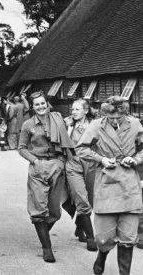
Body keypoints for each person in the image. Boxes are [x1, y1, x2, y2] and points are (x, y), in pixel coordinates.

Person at [76, 96, 143, 275]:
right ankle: (102, 254)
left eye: (118, 118)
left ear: (125, 113)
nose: (114, 121)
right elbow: (81, 148)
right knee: (104, 238)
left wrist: (135, 159)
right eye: (110, 118)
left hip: (129, 184)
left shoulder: (135, 124)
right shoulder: (96, 125)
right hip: (107, 181)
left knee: (128, 238)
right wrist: (101, 159)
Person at [18, 91, 75, 263]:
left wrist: (61, 161)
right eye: (37, 105)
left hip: (57, 166)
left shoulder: (59, 120)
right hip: (38, 168)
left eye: (43, 103)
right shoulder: (28, 125)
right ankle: (47, 248)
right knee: (39, 210)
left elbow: (66, 142)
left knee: (54, 211)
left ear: (47, 104)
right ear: (33, 107)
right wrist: (35, 161)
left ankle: (42, 232)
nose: (41, 107)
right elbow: (21, 148)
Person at [65, 99, 98, 251]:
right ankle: (91, 238)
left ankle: (79, 228)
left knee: (89, 199)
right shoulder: (69, 125)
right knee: (81, 199)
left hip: (91, 165)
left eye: (77, 109)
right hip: (73, 164)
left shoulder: (95, 126)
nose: (73, 111)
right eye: (72, 109)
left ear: (86, 110)